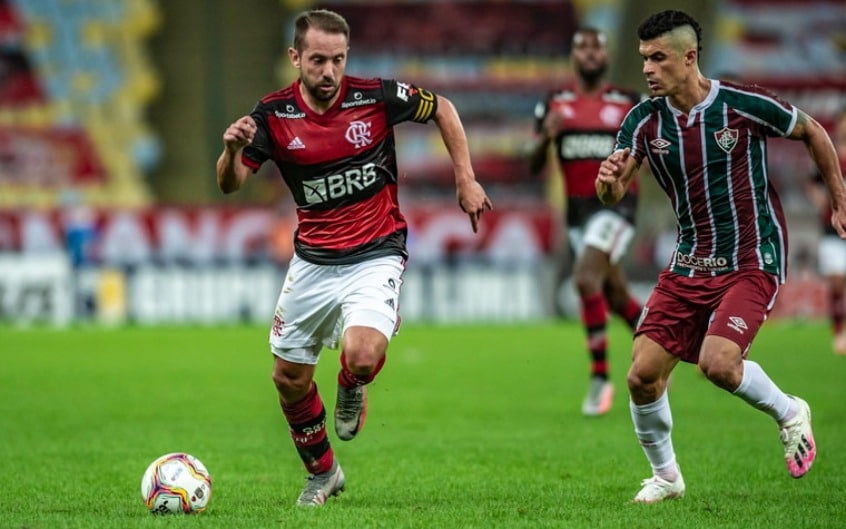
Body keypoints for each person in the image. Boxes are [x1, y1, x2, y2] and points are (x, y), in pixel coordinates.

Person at [216, 9, 492, 507]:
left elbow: (444, 109)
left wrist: (465, 177)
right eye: (318, 60)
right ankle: (323, 474)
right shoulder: (272, 115)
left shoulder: (376, 97)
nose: (329, 72)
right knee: (288, 378)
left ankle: (350, 384)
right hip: (313, 262)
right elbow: (231, 184)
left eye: (338, 60)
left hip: (376, 252)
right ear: (295, 57)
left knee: (362, 356)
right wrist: (231, 153)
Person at [596, 9, 846, 503]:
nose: (647, 68)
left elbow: (813, 131)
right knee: (641, 377)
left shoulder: (741, 104)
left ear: (689, 57)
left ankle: (791, 411)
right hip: (691, 260)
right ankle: (667, 477)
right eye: (644, 58)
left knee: (718, 364)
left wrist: (839, 201)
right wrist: (608, 184)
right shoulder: (642, 121)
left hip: (752, 257)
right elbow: (617, 188)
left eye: (658, 58)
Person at [529, 27, 644, 416]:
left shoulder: (629, 102)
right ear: (573, 56)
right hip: (577, 214)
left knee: (583, 279)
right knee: (612, 294)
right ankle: (665, 343)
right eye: (583, 47)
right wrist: (545, 138)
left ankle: (599, 379)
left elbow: (656, 150)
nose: (591, 54)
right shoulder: (555, 103)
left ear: (607, 56)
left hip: (617, 208)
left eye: (598, 47)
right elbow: (532, 164)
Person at [804, 107, 846, 354]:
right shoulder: (828, 153)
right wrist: (821, 200)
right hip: (831, 228)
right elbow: (812, 182)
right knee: (836, 280)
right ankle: (839, 333)